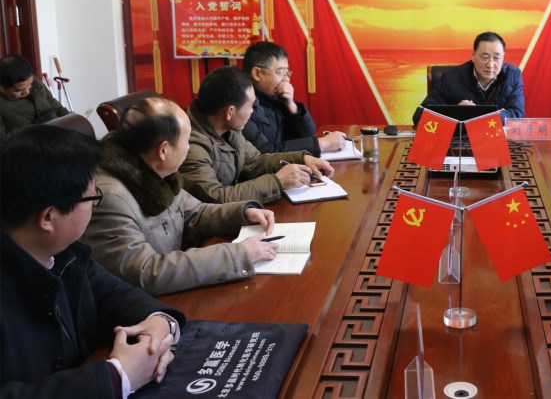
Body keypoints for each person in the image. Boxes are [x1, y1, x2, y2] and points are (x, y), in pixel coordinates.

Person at [0, 125, 184, 399]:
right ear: (48, 217)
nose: (95, 203)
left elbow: (112, 294)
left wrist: (159, 325)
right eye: (92, 196)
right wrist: (116, 377)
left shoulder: (65, 253)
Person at [81, 97, 281, 296]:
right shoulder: (111, 198)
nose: (189, 147)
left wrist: (243, 213)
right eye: (186, 140)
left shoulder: (153, 169)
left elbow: (195, 212)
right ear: (163, 150)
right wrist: (238, 254)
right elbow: (146, 272)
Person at [179, 66, 333, 204]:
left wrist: (302, 158)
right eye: (251, 106)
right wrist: (277, 181)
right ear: (230, 112)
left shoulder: (229, 128)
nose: (252, 111)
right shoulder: (189, 145)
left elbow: (256, 162)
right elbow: (215, 198)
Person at [241, 41, 346, 156]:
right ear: (257, 73)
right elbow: (264, 152)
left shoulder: (276, 98)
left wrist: (292, 106)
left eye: (287, 73)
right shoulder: (240, 104)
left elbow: (307, 134)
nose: (286, 79)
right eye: (280, 72)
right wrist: (322, 144)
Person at [412, 31, 524, 125]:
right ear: (473, 55)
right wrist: (456, 112)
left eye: (496, 58)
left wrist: (476, 114)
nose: (490, 65)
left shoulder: (513, 76)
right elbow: (419, 115)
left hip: (497, 139)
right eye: (484, 57)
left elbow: (517, 117)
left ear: (503, 57)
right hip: (462, 140)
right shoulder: (451, 78)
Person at [0, 54, 69, 137]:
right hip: (34, 143)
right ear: (2, 88)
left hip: (60, 135)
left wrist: (73, 121)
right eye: (19, 90)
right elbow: (3, 142)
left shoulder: (36, 84)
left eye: (29, 84)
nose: (27, 92)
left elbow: (58, 109)